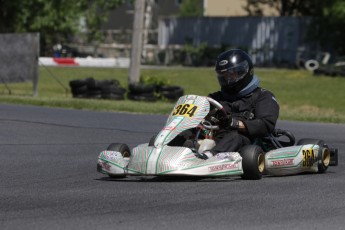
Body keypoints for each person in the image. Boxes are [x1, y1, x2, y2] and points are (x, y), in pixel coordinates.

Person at [203, 49, 280, 158]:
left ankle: (209, 157)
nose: (227, 79)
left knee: (235, 136)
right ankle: (172, 152)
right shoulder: (215, 98)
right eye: (223, 75)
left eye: (230, 74)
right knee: (186, 133)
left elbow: (266, 125)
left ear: (243, 71)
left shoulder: (263, 96)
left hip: (248, 143)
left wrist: (234, 123)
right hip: (216, 138)